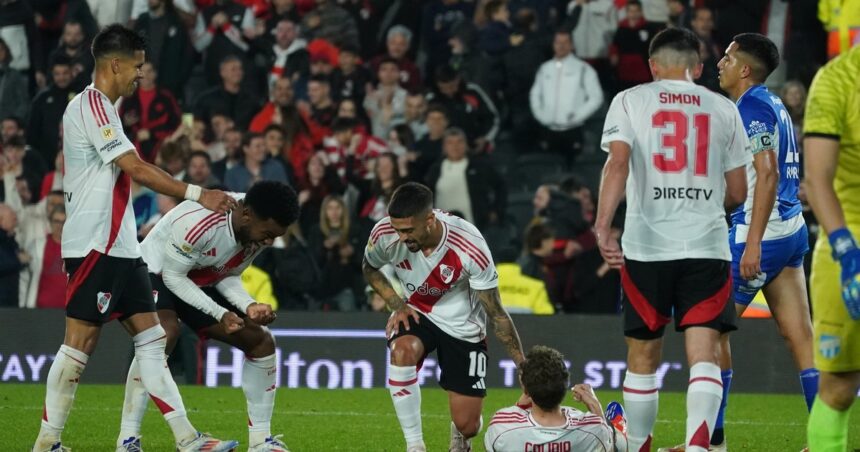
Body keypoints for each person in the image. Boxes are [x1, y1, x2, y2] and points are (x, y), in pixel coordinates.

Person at [31, 24, 238, 452]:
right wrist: (200, 195)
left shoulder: (108, 109)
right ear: (114, 64)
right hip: (95, 244)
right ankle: (47, 441)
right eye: (137, 67)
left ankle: (185, 438)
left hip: (123, 246)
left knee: (153, 338)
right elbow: (136, 167)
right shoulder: (90, 106)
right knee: (79, 344)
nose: (140, 76)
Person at [595, 28, 750, 452]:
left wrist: (602, 225)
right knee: (704, 354)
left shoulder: (630, 100)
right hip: (706, 246)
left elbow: (618, 163)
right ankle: (698, 447)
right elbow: (738, 191)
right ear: (697, 68)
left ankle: (640, 443)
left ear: (651, 66)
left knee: (643, 357)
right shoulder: (723, 108)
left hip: (646, 248)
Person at [118, 180, 299, 452]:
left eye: (275, 235)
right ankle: (133, 439)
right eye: (268, 233)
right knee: (162, 334)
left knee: (261, 342)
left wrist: (248, 305)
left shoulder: (257, 230)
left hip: (192, 281)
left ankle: (261, 441)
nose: (268, 241)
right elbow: (172, 277)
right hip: (150, 272)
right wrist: (220, 312)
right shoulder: (202, 221)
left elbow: (227, 273)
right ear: (247, 214)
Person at [708, 33, 817, 451]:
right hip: (791, 231)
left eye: (728, 57)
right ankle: (826, 439)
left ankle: (713, 441)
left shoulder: (751, 107)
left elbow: (766, 172)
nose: (721, 62)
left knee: (712, 331)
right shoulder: (774, 104)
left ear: (745, 69)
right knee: (801, 338)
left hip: (762, 235)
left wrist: (752, 243)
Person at [362, 182, 525, 452]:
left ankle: (460, 433)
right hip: (417, 311)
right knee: (402, 351)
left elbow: (496, 313)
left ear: (429, 220)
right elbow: (369, 266)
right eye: (398, 230)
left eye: (408, 230)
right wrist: (396, 304)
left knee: (468, 425)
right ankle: (415, 446)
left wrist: (522, 364)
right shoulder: (384, 233)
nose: (401, 238)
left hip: (463, 326)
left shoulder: (469, 246)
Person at [803, 45, 860, 451]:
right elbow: (818, 177)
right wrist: (846, 251)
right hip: (850, 239)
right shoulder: (838, 79)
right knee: (839, 387)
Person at [484, 346, 628, 451]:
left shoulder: (501, 425)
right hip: (598, 434)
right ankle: (618, 428)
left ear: (526, 390)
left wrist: (520, 405)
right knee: (619, 441)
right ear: (566, 385)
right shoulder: (593, 427)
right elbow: (607, 445)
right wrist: (595, 407)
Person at [530, 30, 603, 166]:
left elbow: (596, 97)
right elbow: (535, 95)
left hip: (573, 131)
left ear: (572, 45)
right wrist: (541, 115)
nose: (561, 46)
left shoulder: (583, 69)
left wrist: (577, 115)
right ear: (553, 45)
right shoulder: (545, 69)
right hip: (548, 131)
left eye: (565, 42)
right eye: (558, 42)